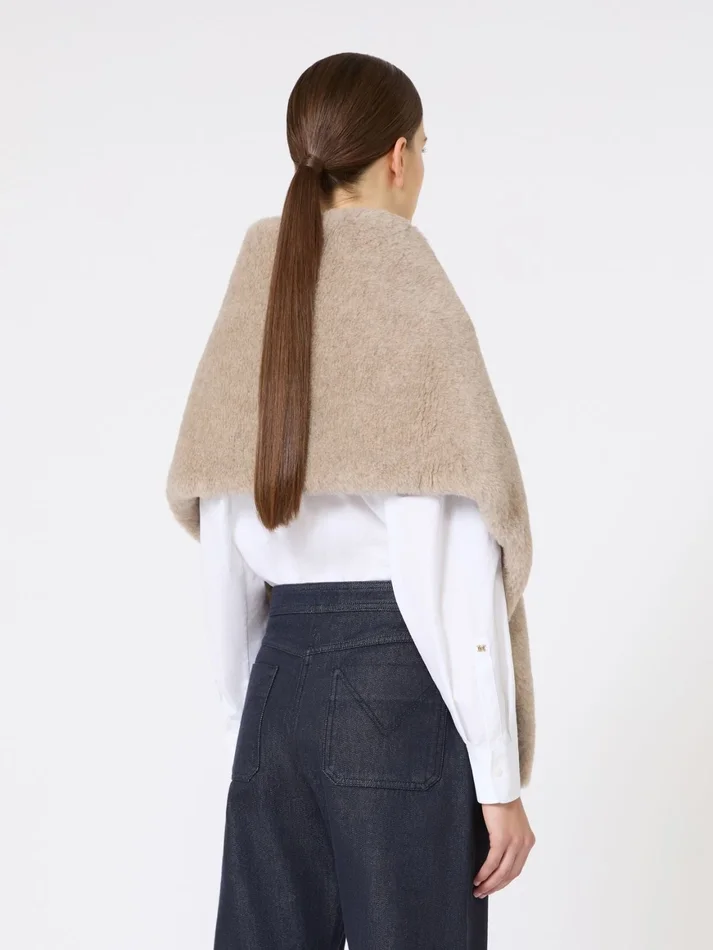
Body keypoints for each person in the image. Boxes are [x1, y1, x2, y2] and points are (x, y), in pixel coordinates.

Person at [166, 51, 536, 950]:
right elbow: (447, 559)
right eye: (424, 150)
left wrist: (254, 730)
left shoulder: (255, 297)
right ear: (399, 156)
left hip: (276, 691)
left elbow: (225, 546)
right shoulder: (408, 293)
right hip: (396, 686)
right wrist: (497, 778)